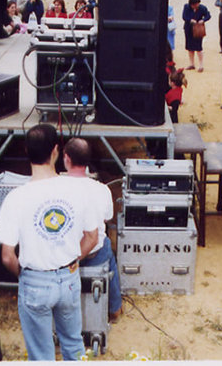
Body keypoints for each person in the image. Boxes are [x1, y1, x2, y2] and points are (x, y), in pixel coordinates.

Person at [0, 124, 98, 361]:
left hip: (34, 280)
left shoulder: (15, 198)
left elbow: (7, 256)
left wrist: (25, 275)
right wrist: (72, 259)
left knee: (41, 355)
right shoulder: (79, 190)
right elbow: (92, 237)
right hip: (69, 276)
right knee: (74, 345)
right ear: (56, 151)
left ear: (26, 151)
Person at [65, 138, 122, 322]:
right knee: (106, 246)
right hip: (94, 254)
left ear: (66, 159)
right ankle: (115, 309)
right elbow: (107, 218)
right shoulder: (102, 189)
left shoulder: (56, 188)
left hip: (65, 257)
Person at [182, 0, 211, 72]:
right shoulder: (186, 7)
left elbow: (208, 15)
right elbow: (184, 17)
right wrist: (190, 20)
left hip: (198, 29)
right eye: (195, 4)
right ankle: (192, 64)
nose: (196, 6)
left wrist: (203, 20)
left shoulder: (202, 8)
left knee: (198, 47)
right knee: (189, 47)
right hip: (189, 28)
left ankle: (201, 65)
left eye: (197, 4)